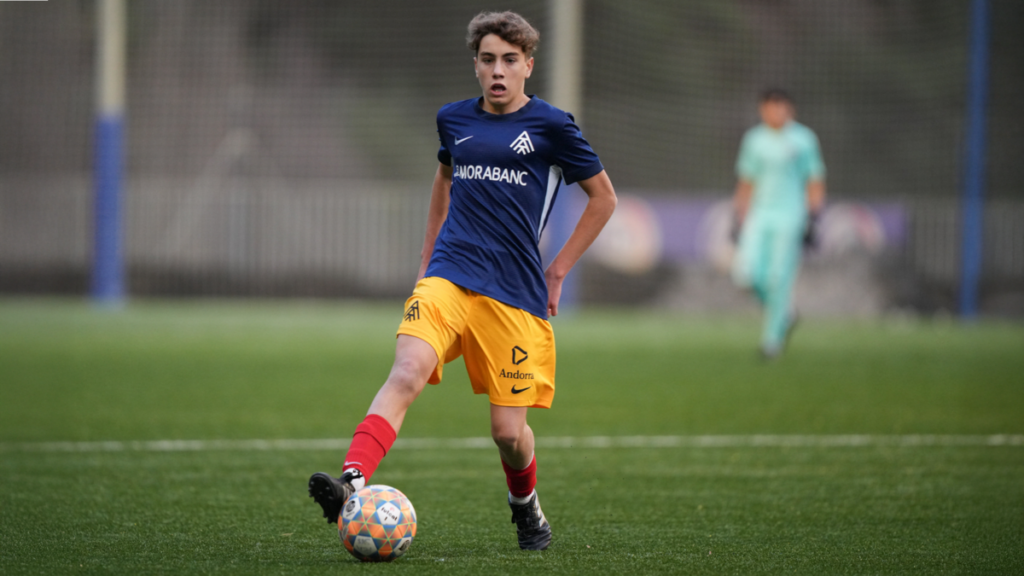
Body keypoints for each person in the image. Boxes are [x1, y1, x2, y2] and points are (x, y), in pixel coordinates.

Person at [308, 11, 617, 551]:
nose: (498, 70)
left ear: (528, 66)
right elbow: (443, 179)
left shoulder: (552, 126)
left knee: (508, 434)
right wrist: (427, 259)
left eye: (510, 60)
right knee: (407, 370)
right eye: (488, 59)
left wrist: (558, 269)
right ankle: (351, 482)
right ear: (475, 64)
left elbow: (603, 199)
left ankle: (525, 505)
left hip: (515, 293)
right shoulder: (453, 120)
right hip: (449, 276)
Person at [730, 89, 826, 359]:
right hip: (759, 214)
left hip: (790, 215)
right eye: (772, 108)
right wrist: (737, 215)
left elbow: (815, 179)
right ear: (763, 110)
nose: (777, 113)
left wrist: (814, 218)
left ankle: (772, 342)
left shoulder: (803, 139)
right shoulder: (754, 140)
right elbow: (746, 180)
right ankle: (786, 313)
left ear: (790, 110)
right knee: (745, 275)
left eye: (782, 107)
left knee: (778, 279)